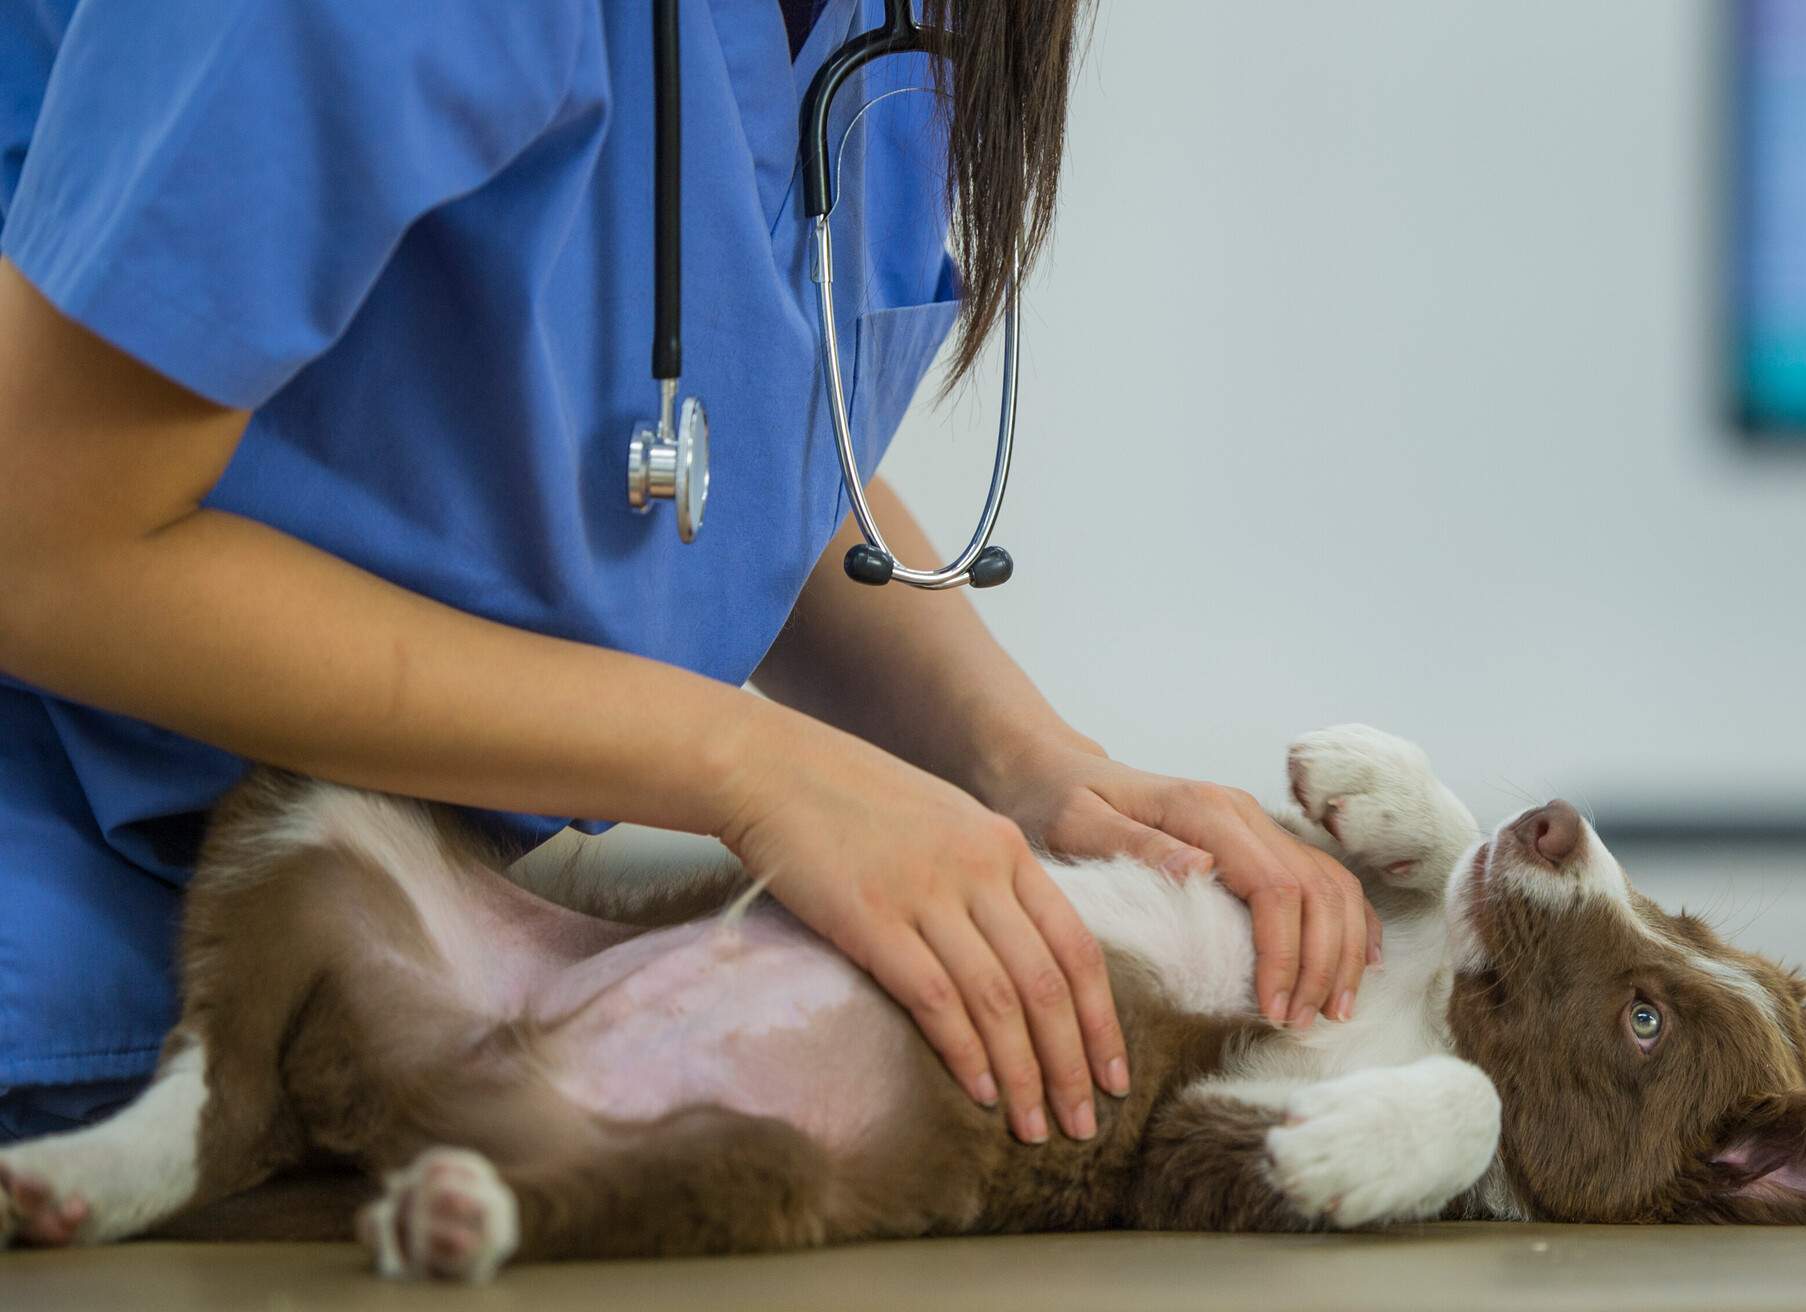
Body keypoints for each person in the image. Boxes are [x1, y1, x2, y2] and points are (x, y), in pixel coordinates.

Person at [0, 0, 1376, 1151]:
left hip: (388, 992)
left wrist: (1019, 759)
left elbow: (698, 432)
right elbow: (44, 542)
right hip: (70, 972)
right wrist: (746, 765)